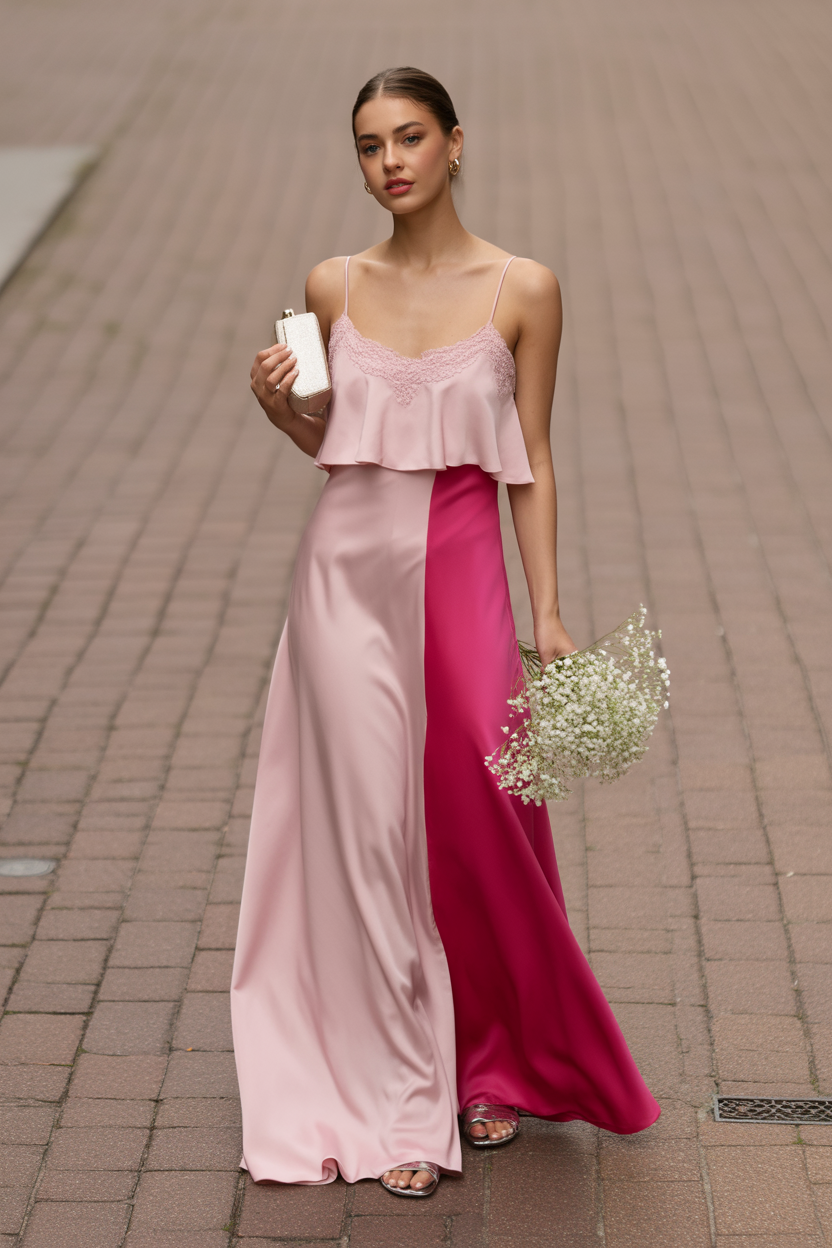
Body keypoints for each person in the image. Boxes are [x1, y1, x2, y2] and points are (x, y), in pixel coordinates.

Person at [232, 66, 659, 1199]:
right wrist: (283, 410)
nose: (391, 163)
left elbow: (534, 459)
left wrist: (550, 611)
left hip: (464, 566)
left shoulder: (524, 287)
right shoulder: (329, 283)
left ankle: (497, 1059)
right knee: (371, 829)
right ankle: (403, 1103)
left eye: (410, 137)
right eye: (370, 146)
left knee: (484, 809)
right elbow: (333, 441)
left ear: (456, 143)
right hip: (343, 579)